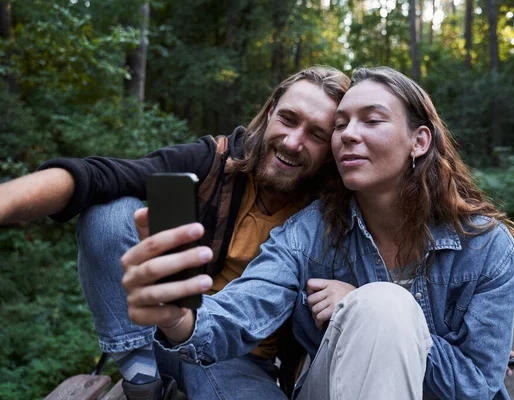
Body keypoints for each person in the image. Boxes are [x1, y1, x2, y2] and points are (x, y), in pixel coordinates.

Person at [121, 66, 514, 399]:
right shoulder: (309, 233)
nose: (347, 134)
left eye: (372, 120)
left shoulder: (487, 248)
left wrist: (360, 306)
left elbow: (478, 385)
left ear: (419, 141)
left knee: (382, 305)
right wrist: (180, 318)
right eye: (341, 124)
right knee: (382, 306)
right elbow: (242, 310)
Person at [0, 66, 351, 399]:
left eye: (316, 134)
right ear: (271, 111)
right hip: (159, 330)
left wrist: (354, 297)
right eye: (288, 119)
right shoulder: (215, 164)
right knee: (108, 210)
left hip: (239, 357)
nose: (292, 142)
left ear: (334, 147)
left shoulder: (330, 213)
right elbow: (100, 176)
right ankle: (141, 377)